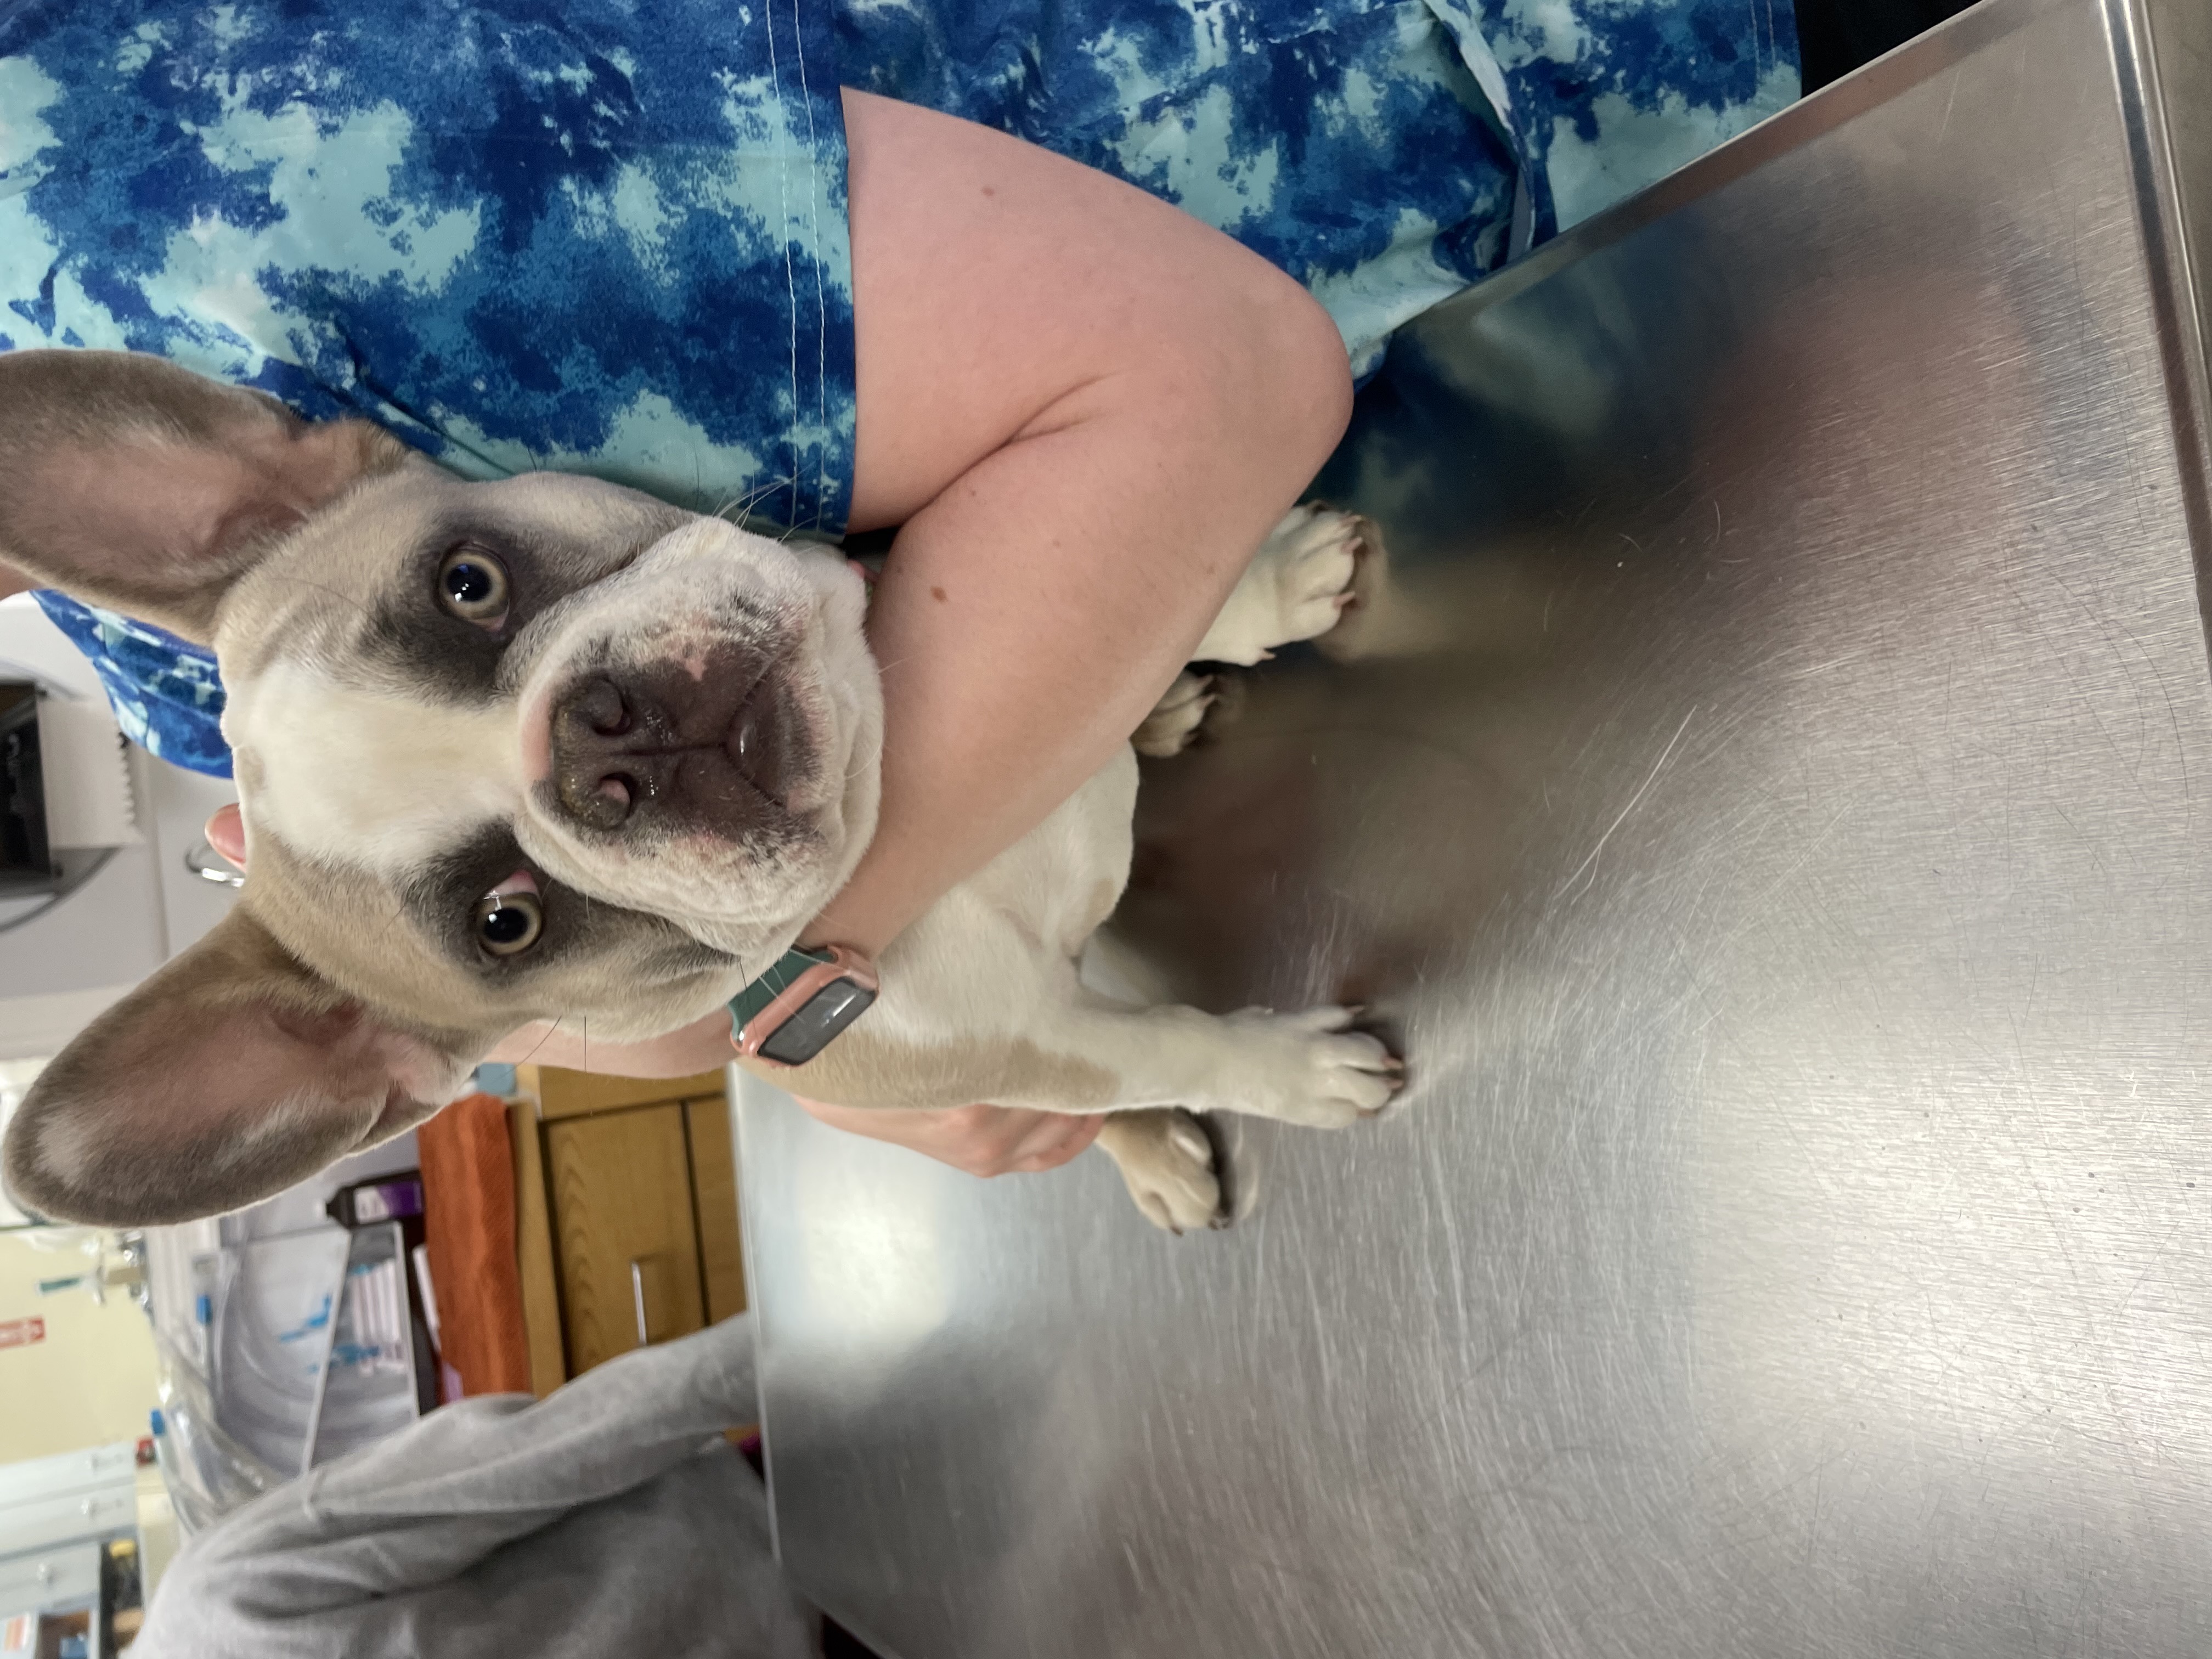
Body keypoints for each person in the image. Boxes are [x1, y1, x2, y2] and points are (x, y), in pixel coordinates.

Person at [0, 0, 1798, 1180]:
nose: (591, 768)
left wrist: (835, 982)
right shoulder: (176, 657)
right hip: (1508, 514)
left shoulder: (167, 221)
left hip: (1596, 116)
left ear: (287, 468)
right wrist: (814, 1027)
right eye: (508, 894)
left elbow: (1202, 376)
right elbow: (600, 1019)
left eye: (478, 590)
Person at [132, 1316, 821, 1658]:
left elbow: (523, 1461)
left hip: (792, 1539)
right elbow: (522, 1457)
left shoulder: (220, 1605)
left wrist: (824, 1341)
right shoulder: (212, 1602)